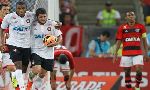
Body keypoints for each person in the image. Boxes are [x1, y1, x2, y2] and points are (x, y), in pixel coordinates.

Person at [0, 1, 35, 90]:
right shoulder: (7, 20)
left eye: (8, 10)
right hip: (3, 47)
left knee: (14, 68)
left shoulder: (11, 19)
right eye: (4, 10)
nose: (6, 11)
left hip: (9, 48)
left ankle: (17, 85)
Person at [26, 8, 62, 90]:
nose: (43, 19)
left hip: (48, 53)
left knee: (42, 74)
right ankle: (29, 82)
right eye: (41, 17)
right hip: (35, 50)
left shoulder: (52, 24)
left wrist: (55, 43)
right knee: (37, 69)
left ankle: (36, 87)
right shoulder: (32, 24)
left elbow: (60, 37)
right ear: (37, 17)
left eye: (44, 16)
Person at [113, 11, 149, 90]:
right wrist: (115, 53)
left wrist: (146, 53)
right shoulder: (122, 28)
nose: (131, 16)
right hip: (126, 53)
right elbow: (119, 41)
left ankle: (137, 86)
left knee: (139, 70)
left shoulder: (141, 27)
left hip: (138, 53)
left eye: (132, 15)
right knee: (127, 72)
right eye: (129, 15)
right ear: (126, 18)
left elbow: (144, 41)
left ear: (135, 16)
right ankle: (129, 88)